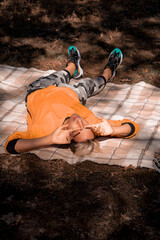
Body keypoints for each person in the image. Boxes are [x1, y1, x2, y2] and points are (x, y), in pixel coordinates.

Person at [5, 46, 139, 156]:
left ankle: (72, 67)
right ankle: (108, 72)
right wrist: (113, 131)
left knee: (62, 74)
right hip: (73, 93)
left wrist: (49, 139)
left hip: (39, 90)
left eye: (77, 131)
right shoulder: (93, 126)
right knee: (93, 84)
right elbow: (132, 127)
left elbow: (11, 146)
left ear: (68, 137)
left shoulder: (44, 131)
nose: (80, 122)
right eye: (85, 126)